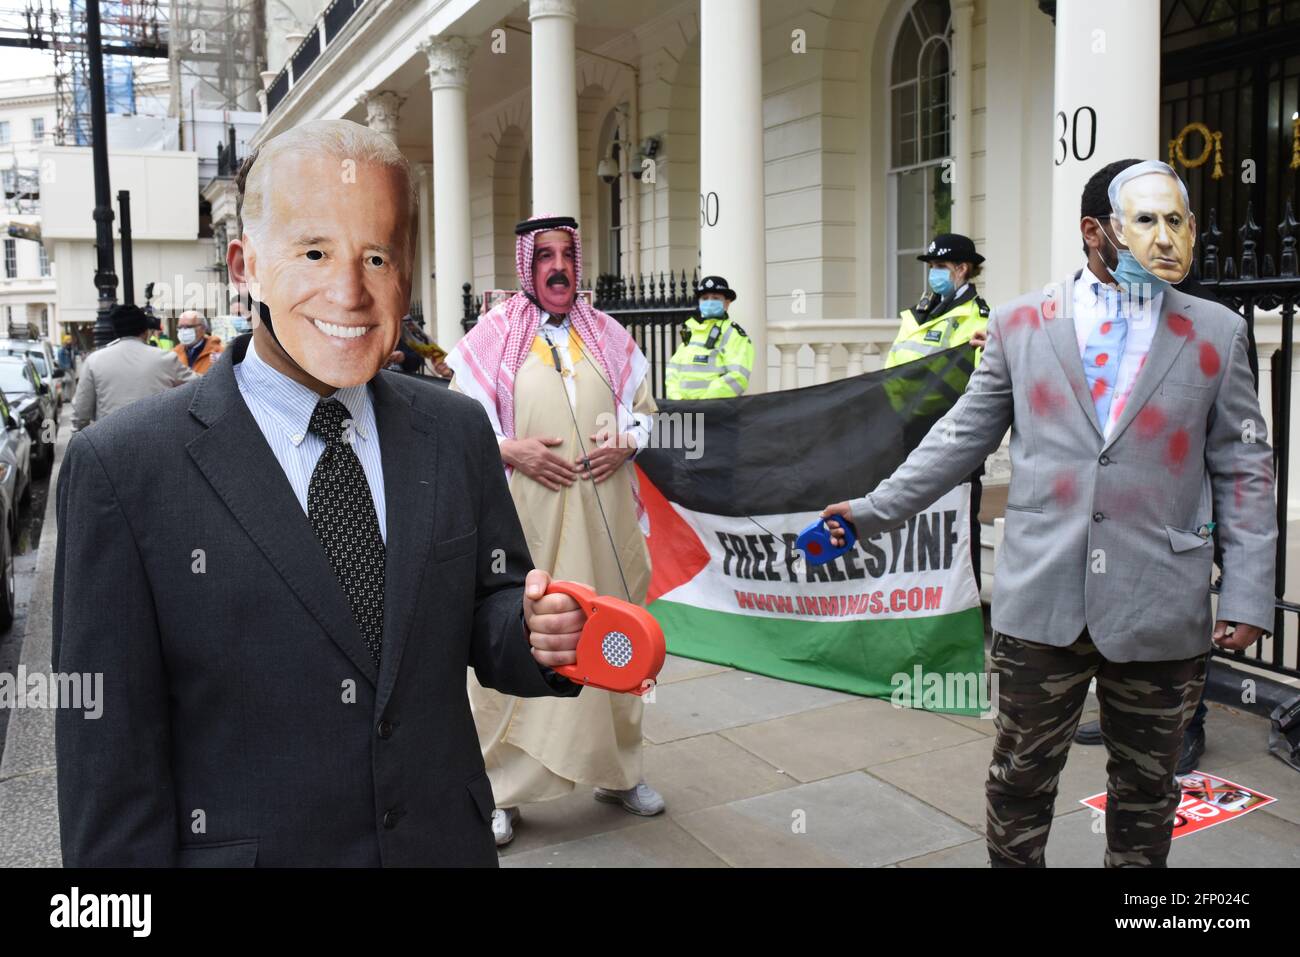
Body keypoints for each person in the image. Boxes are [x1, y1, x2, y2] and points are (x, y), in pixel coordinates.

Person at [53, 119, 593, 867]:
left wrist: (535, 633)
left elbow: (488, 605)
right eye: (314, 252)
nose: (350, 291)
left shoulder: (456, 429)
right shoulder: (123, 469)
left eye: (377, 256)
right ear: (246, 264)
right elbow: (110, 778)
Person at [821, 158, 1277, 867]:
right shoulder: (1020, 324)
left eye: (1178, 220)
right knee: (1020, 783)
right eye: (1147, 221)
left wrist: (1248, 587)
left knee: (1149, 793)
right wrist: (874, 511)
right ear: (1094, 232)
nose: (1167, 238)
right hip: (1041, 602)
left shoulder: (1217, 332)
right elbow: (958, 439)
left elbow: (1244, 466)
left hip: (1161, 604)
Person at [446, 214, 664, 847]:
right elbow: (461, 429)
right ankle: (500, 790)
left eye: (568, 253)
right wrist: (512, 451)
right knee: (526, 632)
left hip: (607, 522)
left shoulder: (612, 337)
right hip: (527, 524)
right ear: (527, 265)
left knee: (617, 633)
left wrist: (627, 441)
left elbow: (648, 418)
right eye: (545, 255)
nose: (558, 266)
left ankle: (619, 771)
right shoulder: (491, 340)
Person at [886, 233, 992, 583]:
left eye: (940, 267)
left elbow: (980, 380)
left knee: (958, 522)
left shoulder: (977, 317)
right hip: (910, 428)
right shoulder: (920, 311)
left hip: (953, 434)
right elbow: (897, 364)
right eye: (931, 267)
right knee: (914, 518)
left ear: (962, 269)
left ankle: (964, 604)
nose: (933, 274)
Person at [71, 303, 194, 431]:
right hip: (157, 439)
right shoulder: (166, 358)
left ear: (115, 331)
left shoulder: (94, 361)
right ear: (145, 331)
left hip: (109, 440)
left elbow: (80, 412)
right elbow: (200, 387)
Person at [665, 275, 754, 399]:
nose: (709, 302)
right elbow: (673, 368)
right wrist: (676, 397)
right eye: (704, 298)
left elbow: (738, 377)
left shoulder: (733, 333)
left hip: (715, 411)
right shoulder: (691, 330)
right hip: (684, 409)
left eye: (715, 298)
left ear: (727, 303)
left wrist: (704, 403)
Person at [173, 310, 225, 375]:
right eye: (180, 327)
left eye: (188, 327)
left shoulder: (219, 353)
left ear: (203, 328)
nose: (183, 331)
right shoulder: (174, 353)